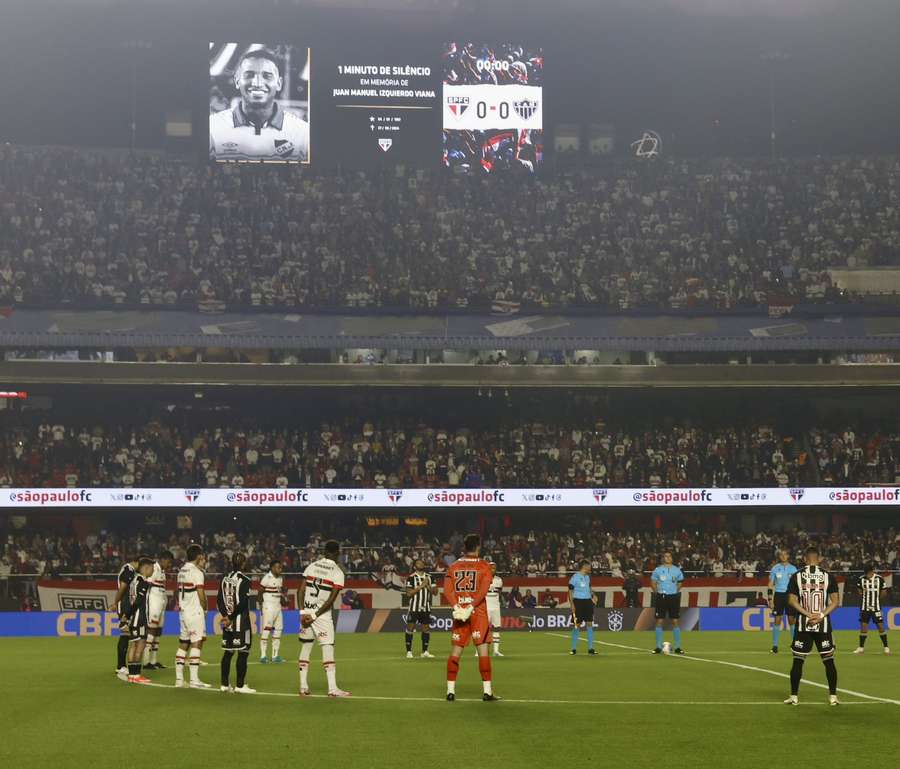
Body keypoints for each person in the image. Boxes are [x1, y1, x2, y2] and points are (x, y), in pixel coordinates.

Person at [209, 48, 309, 162]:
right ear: (237, 81)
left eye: (267, 76)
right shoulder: (213, 128)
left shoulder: (302, 133)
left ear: (279, 84)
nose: (257, 83)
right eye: (249, 75)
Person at [444, 534, 499, 702]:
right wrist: (470, 607)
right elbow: (483, 591)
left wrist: (457, 608)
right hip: (477, 613)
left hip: (460, 612)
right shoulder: (484, 566)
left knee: (456, 651)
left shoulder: (453, 566)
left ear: (464, 547)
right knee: (483, 651)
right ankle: (487, 692)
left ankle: (450, 691)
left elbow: (447, 590)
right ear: (478, 547)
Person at [785, 546, 840, 706]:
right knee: (828, 661)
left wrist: (808, 615)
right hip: (822, 625)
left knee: (798, 661)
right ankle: (833, 697)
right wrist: (821, 615)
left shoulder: (797, 576)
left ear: (804, 559)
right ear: (820, 558)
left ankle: (794, 697)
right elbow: (836, 601)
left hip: (804, 625)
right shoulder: (828, 576)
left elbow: (792, 601)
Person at [298, 540, 350, 697]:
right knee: (327, 647)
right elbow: (331, 599)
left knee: (306, 647)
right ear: (337, 553)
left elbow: (299, 591)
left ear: (325, 551)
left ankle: (303, 687)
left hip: (305, 613)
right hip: (321, 616)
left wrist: (303, 613)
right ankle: (332, 689)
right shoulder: (337, 572)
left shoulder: (312, 566)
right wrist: (315, 615)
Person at [218, 552, 255, 694]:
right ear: (244, 563)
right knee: (243, 652)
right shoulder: (245, 580)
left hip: (228, 623)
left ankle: (224, 684)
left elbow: (219, 600)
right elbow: (243, 603)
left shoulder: (224, 578)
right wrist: (232, 616)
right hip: (240, 621)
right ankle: (240, 686)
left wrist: (225, 617)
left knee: (228, 652)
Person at [176, 544, 211, 689]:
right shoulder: (197, 572)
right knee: (196, 642)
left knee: (184, 643)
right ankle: (194, 680)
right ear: (198, 556)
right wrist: (205, 608)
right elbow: (200, 593)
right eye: (201, 555)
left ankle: (179, 679)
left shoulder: (181, 571)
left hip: (183, 612)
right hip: (194, 611)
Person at [125, 558, 155, 684]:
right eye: (152, 568)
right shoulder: (142, 582)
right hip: (139, 618)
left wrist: (127, 616)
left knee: (133, 645)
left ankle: (132, 675)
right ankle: (136, 675)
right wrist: (131, 614)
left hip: (133, 619)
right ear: (146, 567)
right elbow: (138, 601)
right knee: (140, 645)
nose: (153, 570)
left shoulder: (133, 581)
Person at [143, 550, 173, 670]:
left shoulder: (162, 571)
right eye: (169, 562)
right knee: (151, 630)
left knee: (158, 631)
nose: (169, 565)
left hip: (160, 603)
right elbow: (147, 585)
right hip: (153, 602)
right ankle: (145, 662)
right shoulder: (154, 568)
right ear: (163, 559)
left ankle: (153, 660)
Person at [852, 564, 890, 655]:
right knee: (864, 626)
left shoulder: (880, 579)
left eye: (868, 573)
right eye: (866, 573)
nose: (867, 575)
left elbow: (884, 592)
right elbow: (859, 591)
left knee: (880, 626)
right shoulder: (861, 579)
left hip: (876, 607)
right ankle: (861, 648)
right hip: (865, 608)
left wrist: (876, 600)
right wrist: (865, 597)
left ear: (872, 571)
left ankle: (886, 647)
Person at [651, 551, 684, 654]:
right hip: (662, 596)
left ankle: (678, 647)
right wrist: (658, 593)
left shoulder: (677, 570)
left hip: (673, 597)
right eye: (666, 556)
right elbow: (653, 583)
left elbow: (680, 583)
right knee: (659, 621)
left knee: (675, 621)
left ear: (672, 558)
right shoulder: (658, 570)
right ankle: (658, 647)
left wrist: (674, 591)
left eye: (669, 556)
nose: (668, 557)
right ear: (663, 558)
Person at [112, 555, 139, 679]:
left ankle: (122, 665)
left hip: (127, 605)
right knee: (125, 634)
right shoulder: (128, 570)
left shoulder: (129, 570)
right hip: (124, 606)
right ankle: (121, 665)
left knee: (127, 635)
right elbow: (123, 587)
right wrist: (115, 602)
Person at [404, 559, 437, 659]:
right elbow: (409, 593)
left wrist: (427, 586)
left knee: (426, 629)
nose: (421, 563)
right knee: (410, 628)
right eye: (418, 563)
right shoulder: (411, 578)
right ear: (414, 566)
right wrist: (420, 586)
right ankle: (409, 651)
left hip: (425, 608)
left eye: (422, 562)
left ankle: (425, 651)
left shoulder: (430, 577)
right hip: (414, 607)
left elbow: (435, 592)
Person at [768, 549, 798, 654]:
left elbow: (797, 585)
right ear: (779, 556)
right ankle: (775, 645)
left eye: (785, 554)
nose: (783, 556)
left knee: (791, 620)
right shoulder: (775, 568)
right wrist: (770, 599)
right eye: (781, 554)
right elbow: (770, 584)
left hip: (790, 595)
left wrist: (796, 598)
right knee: (777, 619)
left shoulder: (793, 569)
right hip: (779, 596)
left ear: (788, 556)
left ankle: (795, 644)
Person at [258, 559, 285, 664]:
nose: (280, 569)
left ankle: (275, 656)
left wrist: (283, 600)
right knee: (267, 629)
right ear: (272, 568)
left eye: (281, 567)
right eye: (278, 567)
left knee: (278, 629)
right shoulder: (266, 578)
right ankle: (263, 656)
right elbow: (259, 592)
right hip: (268, 606)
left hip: (278, 607)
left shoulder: (280, 579)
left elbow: (279, 592)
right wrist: (261, 606)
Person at [568, 560, 597, 655]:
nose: (590, 568)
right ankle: (573, 648)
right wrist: (572, 604)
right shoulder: (575, 577)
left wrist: (593, 595)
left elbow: (589, 588)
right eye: (589, 566)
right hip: (578, 601)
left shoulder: (587, 577)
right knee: (577, 625)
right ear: (584, 566)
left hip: (588, 601)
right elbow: (570, 591)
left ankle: (591, 648)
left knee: (589, 623)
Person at [485, 562, 504, 657]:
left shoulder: (499, 580)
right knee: (483, 629)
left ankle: (496, 651)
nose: (493, 569)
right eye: (491, 568)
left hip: (496, 606)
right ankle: (479, 651)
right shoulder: (483, 578)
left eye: (494, 568)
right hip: (486, 606)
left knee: (496, 628)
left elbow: (500, 592)